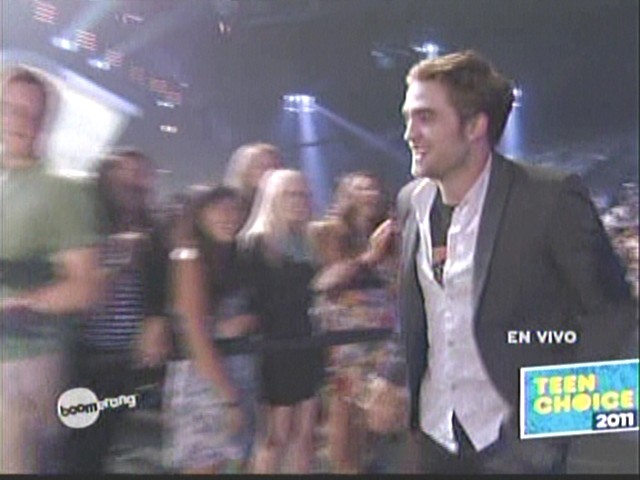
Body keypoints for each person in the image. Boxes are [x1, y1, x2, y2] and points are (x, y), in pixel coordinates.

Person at [395, 50, 638, 474]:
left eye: (425, 118)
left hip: (517, 449)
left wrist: (547, 429)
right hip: (435, 439)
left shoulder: (549, 197)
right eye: (407, 118)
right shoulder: (409, 203)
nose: (409, 134)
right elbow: (427, 319)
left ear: (475, 126)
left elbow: (612, 312)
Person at [0, 66, 102, 473]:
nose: (20, 121)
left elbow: (85, 287)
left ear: (46, 123)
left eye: (32, 113)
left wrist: (19, 304)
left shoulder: (63, 190)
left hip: (22, 362)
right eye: (10, 109)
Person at [66, 148, 171, 473]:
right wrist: (120, 260)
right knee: (74, 435)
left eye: (141, 175)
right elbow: (79, 290)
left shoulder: (153, 230)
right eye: (125, 173)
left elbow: (161, 288)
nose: (134, 181)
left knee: (105, 434)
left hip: (123, 357)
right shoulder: (84, 223)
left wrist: (155, 323)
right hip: (80, 355)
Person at [310, 171, 407, 473]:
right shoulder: (329, 230)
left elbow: (400, 284)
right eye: (361, 188)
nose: (370, 194)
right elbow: (326, 282)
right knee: (345, 426)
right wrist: (371, 255)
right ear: (345, 195)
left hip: (385, 340)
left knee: (383, 423)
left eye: (374, 188)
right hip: (347, 342)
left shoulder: (392, 233)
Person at [163, 185, 259, 474]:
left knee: (233, 465)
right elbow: (194, 335)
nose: (230, 217)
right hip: (206, 381)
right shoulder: (189, 257)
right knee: (204, 464)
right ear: (200, 213)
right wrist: (229, 398)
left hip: (238, 375)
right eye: (220, 209)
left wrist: (246, 322)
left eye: (236, 210)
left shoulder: (234, 257)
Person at [240, 169, 324, 473]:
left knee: (305, 434)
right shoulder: (255, 244)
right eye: (291, 194)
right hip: (272, 352)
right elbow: (258, 303)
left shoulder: (308, 243)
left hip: (306, 346)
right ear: (273, 198)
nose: (299, 201)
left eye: (304, 194)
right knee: (275, 436)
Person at [222, 142, 283, 225]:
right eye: (260, 166)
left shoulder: (289, 205)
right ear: (243, 171)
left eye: (275, 166)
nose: (269, 171)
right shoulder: (227, 205)